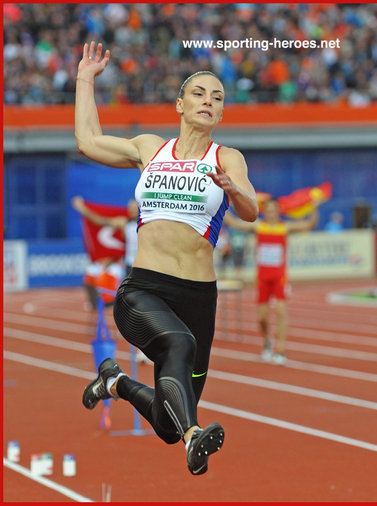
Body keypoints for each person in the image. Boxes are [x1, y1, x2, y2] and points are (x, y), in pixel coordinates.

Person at [76, 41, 258, 475]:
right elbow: (87, 142)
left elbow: (251, 210)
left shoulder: (226, 158)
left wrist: (235, 191)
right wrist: (85, 81)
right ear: (180, 104)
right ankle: (196, 438)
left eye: (217, 98)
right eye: (199, 93)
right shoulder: (149, 149)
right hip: (143, 291)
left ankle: (114, 381)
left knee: (166, 422)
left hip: (199, 298)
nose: (208, 102)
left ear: (221, 114)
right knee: (180, 347)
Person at [225, 198, 318, 365]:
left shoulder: (285, 227)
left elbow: (309, 224)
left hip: (279, 277)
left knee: (281, 312)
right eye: (268, 209)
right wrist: (224, 201)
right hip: (262, 278)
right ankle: (267, 339)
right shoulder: (258, 226)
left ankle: (280, 350)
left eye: (274, 209)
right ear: (264, 211)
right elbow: (232, 222)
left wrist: (314, 207)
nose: (271, 212)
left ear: (278, 211)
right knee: (262, 317)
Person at [72, 196, 151, 363]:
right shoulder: (124, 224)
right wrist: (82, 208)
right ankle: (140, 350)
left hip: (149, 268)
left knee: (150, 309)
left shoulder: (149, 223)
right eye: (128, 207)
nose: (129, 210)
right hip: (131, 269)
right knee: (136, 310)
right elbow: (100, 221)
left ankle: (150, 348)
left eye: (133, 207)